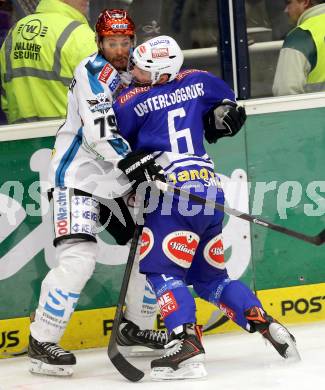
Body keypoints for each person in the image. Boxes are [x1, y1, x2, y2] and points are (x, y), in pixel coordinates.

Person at [113, 35, 301, 380]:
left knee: (162, 272)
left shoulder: (129, 100)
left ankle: (184, 343)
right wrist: (220, 116)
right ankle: (264, 322)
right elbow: (230, 105)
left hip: (170, 196)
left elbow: (114, 139)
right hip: (210, 193)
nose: (133, 71)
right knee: (211, 279)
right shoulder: (199, 80)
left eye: (142, 68)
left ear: (163, 74)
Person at [27, 9, 168, 377]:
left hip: (114, 182)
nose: (119, 50)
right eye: (111, 43)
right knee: (80, 256)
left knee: (148, 242)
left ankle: (134, 326)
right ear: (99, 42)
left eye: (124, 42)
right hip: (77, 178)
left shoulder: (138, 71)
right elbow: (100, 132)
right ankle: (41, 341)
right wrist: (132, 162)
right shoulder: (92, 73)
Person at [0, 0, 97, 124]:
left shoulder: (14, 33)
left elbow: (5, 97)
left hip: (23, 139)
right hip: (70, 138)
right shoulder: (82, 37)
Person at [273, 0, 325, 96]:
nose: (285, 10)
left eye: (288, 3)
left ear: (305, 2)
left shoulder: (301, 36)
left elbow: (286, 92)